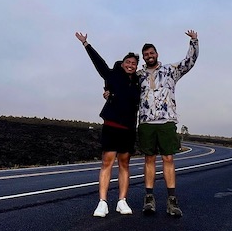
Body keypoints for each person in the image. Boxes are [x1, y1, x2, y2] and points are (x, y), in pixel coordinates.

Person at [75, 31, 140, 217]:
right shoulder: (112, 75)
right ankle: (102, 202)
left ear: (136, 67)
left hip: (128, 128)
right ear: (122, 63)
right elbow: (99, 63)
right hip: (112, 125)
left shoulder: (139, 82)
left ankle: (122, 201)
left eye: (134, 63)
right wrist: (86, 44)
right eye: (128, 62)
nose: (130, 65)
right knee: (107, 162)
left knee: (124, 164)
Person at [137, 30, 199, 217]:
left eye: (151, 53)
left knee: (168, 159)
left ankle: (172, 200)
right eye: (146, 54)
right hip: (146, 122)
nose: (149, 56)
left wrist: (194, 41)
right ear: (143, 57)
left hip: (166, 121)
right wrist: (108, 90)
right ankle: (149, 198)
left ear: (157, 54)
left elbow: (189, 62)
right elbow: (119, 81)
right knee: (149, 159)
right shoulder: (138, 76)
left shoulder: (170, 71)